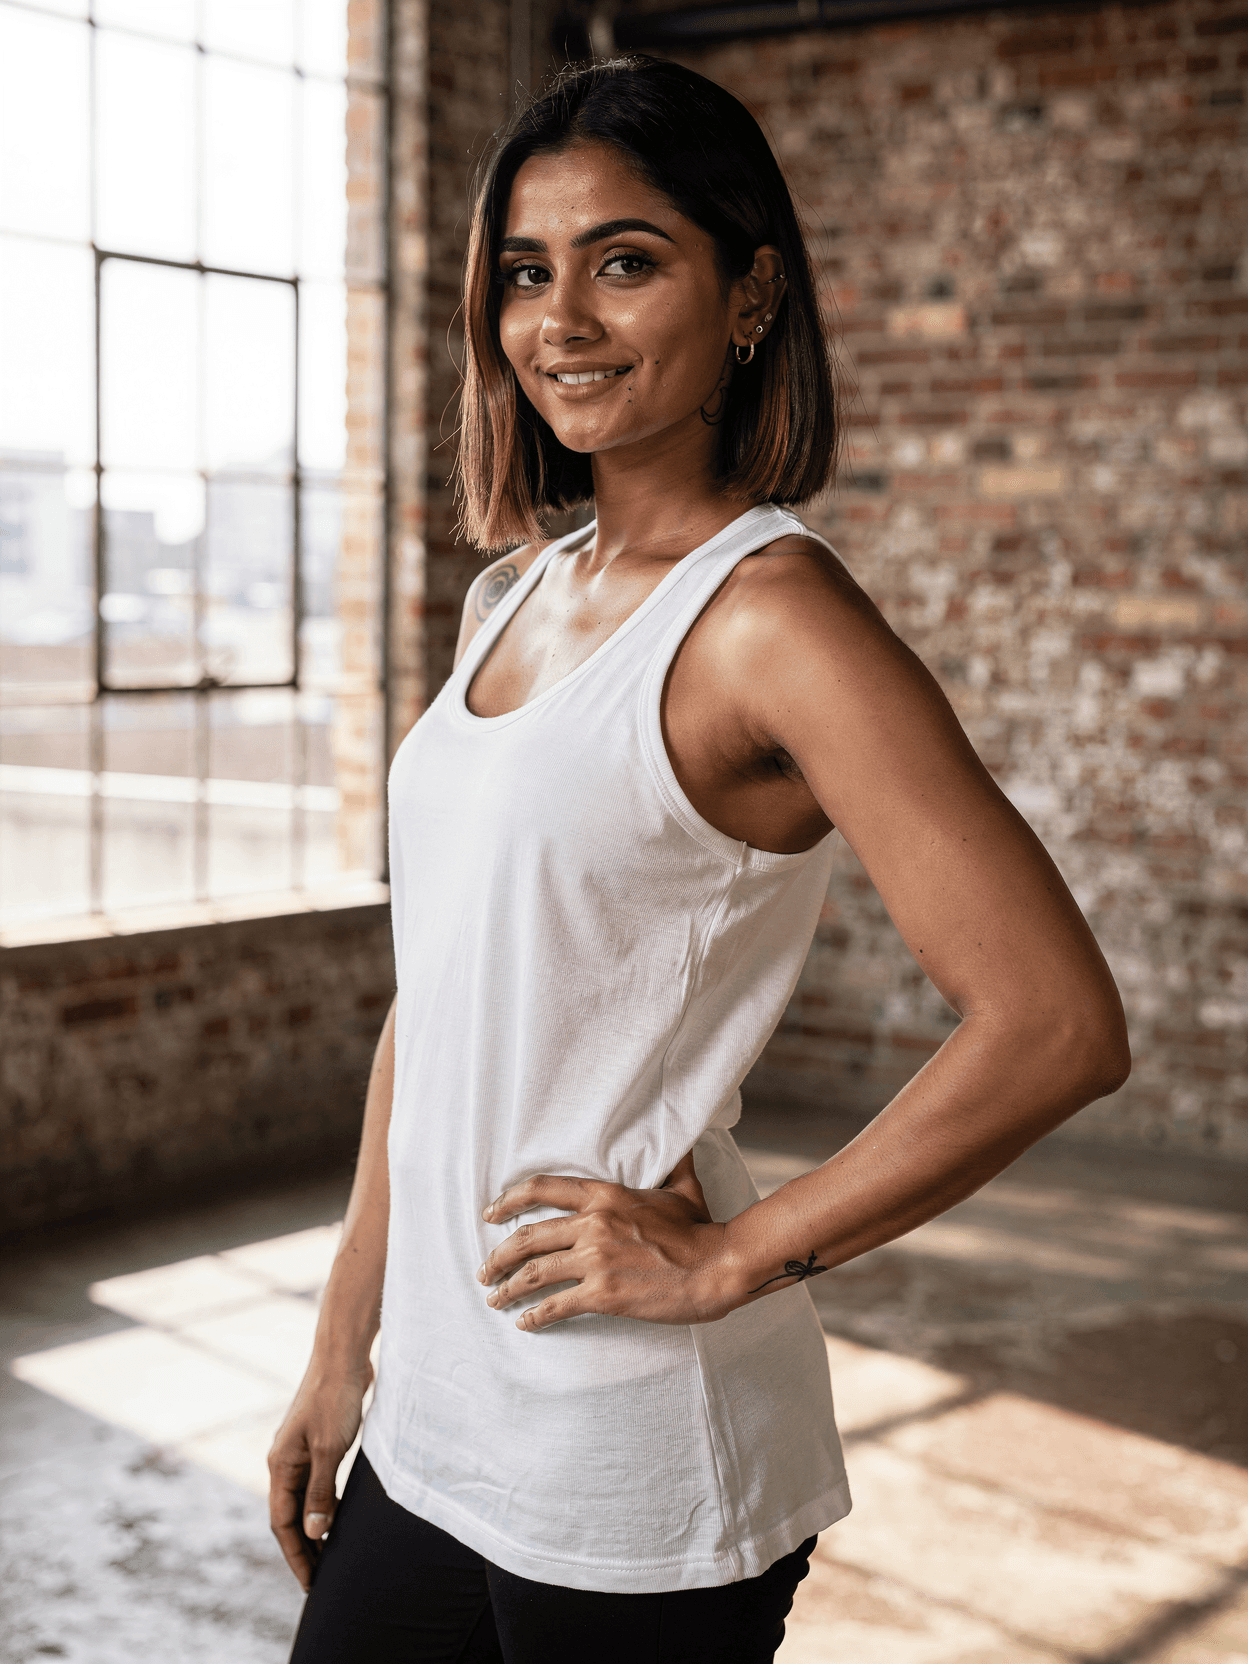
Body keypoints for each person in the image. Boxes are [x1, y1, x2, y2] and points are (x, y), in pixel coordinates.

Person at [269, 55, 1130, 1664]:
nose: (561, 321)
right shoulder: (512, 596)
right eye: (527, 272)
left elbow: (1058, 1024)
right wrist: (344, 1343)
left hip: (634, 1459)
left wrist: (736, 1252)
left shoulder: (775, 621)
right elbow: (438, 1004)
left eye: (626, 260)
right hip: (438, 1420)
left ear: (749, 298)